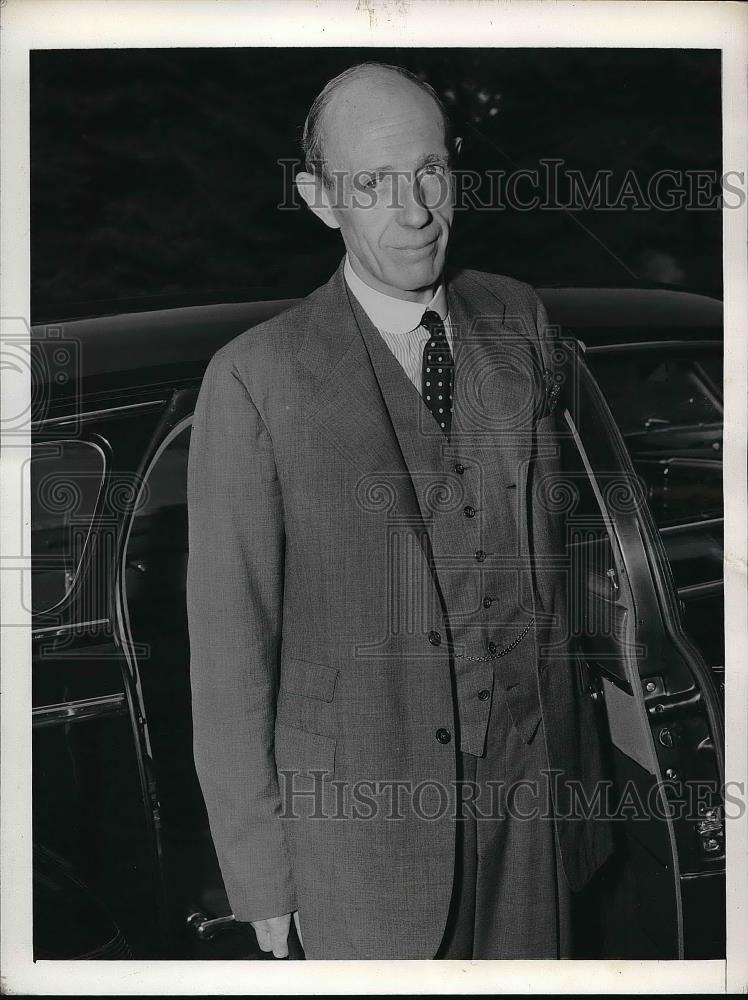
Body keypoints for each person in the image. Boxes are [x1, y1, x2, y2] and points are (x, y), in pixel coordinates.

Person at [186, 62, 613, 961]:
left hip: (534, 803)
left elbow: (562, 548)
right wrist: (264, 878)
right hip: (363, 836)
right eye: (372, 184)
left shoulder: (518, 318)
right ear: (319, 197)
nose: (415, 210)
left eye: (429, 171)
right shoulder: (255, 378)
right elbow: (229, 655)